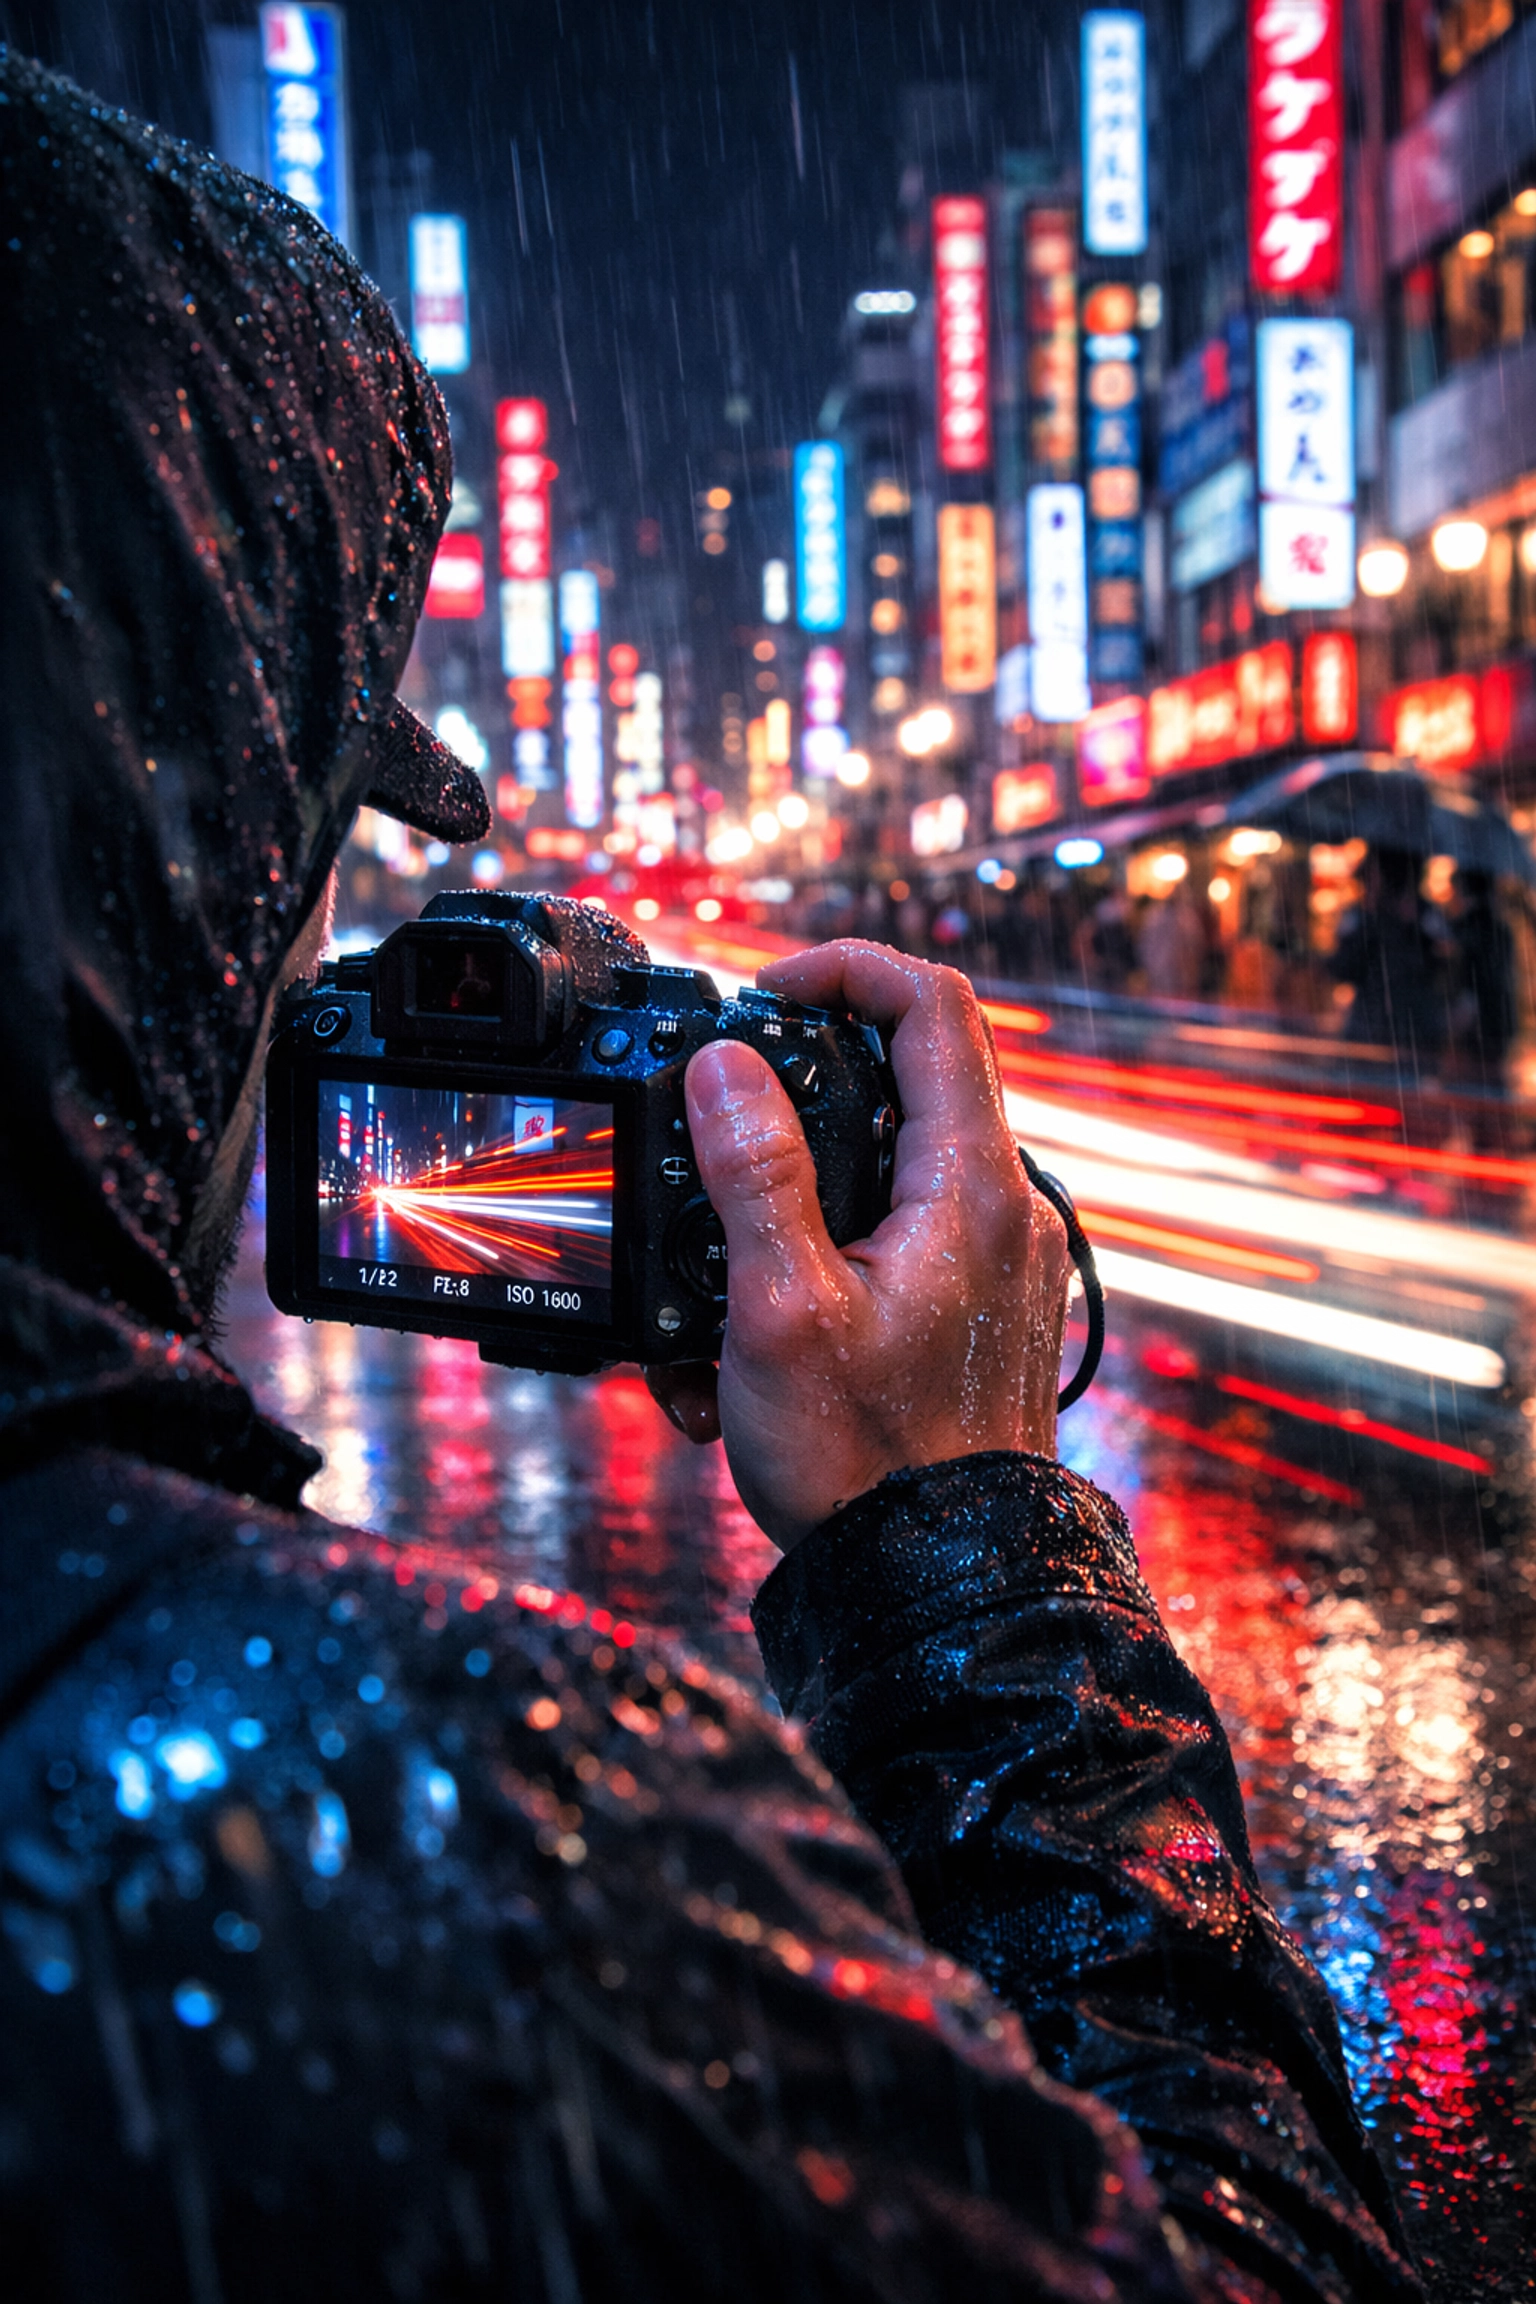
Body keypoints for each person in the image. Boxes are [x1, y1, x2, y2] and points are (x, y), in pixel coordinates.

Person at [0, 52, 1419, 2302]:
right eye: (294, 856)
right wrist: (965, 1569)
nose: (294, 970)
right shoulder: (482, 1842)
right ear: (149, 867)